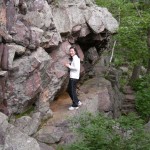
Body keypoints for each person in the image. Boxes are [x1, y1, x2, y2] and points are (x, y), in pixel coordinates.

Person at [65, 46, 82, 110]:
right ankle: (77, 101)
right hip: (74, 77)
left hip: (73, 77)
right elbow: (75, 66)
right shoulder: (75, 58)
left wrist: (68, 66)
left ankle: (75, 105)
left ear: (75, 52)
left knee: (71, 91)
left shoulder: (75, 58)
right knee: (70, 90)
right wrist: (70, 64)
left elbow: (76, 68)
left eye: (72, 51)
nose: (71, 52)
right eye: (70, 51)